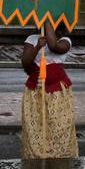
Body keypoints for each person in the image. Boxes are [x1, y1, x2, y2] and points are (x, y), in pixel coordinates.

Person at [20, 22, 77, 159]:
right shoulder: (33, 39)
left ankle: (58, 157)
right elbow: (25, 62)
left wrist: (47, 19)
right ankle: (37, 158)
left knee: (59, 127)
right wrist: (38, 46)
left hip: (58, 93)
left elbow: (54, 46)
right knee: (36, 127)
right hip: (35, 91)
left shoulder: (65, 41)